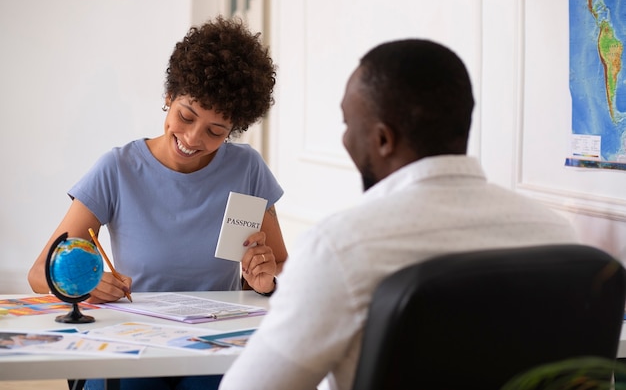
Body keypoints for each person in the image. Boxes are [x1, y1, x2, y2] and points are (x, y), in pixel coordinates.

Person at [218, 39, 578, 390]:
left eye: (347, 124)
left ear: (383, 140)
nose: (345, 140)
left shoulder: (340, 249)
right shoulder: (559, 237)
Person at [27, 15, 287, 390]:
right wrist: (83, 286)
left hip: (213, 344)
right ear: (169, 96)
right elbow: (41, 272)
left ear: (234, 129)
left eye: (216, 132)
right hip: (133, 340)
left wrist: (266, 281)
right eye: (186, 116)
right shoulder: (117, 168)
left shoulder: (247, 168)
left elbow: (280, 265)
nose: (194, 138)